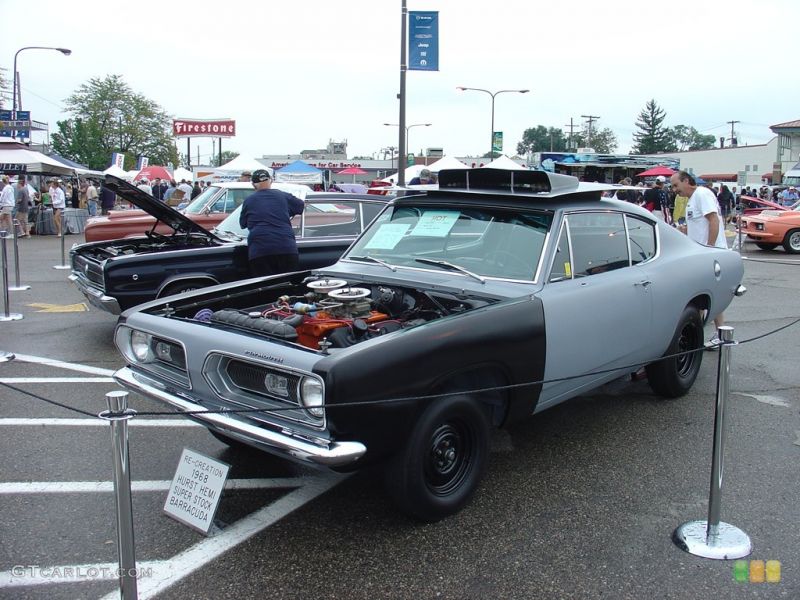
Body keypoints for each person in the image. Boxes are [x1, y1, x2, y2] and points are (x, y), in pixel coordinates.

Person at [670, 170, 727, 343]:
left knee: (709, 296)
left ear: (686, 181)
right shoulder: (691, 200)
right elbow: (699, 225)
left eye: (675, 185)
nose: (674, 190)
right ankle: (701, 335)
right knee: (701, 297)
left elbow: (713, 220)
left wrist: (709, 248)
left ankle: (718, 335)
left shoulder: (702, 194)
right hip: (699, 255)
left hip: (709, 255)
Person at [239, 169, 304, 277]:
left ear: (253, 185)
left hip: (260, 249)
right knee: (289, 286)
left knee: (265, 288)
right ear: (271, 181)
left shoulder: (249, 200)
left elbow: (243, 224)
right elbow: (300, 206)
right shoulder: (283, 196)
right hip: (286, 246)